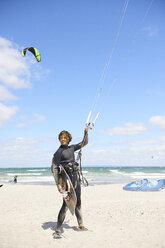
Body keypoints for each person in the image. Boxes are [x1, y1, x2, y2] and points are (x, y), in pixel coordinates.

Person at [51, 127, 89, 239]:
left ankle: (81, 226)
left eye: (65, 137)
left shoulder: (72, 148)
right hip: (66, 182)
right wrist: (58, 184)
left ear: (68, 139)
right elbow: (54, 169)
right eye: (61, 138)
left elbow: (84, 143)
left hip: (76, 180)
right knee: (66, 205)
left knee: (78, 202)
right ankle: (57, 230)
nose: (63, 139)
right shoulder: (58, 152)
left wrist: (85, 132)